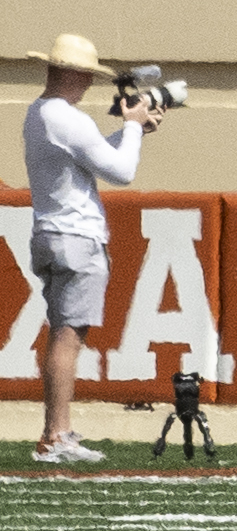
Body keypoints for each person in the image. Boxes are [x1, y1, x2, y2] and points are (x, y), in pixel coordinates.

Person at [22, 27, 156, 465]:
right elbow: (122, 173)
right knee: (68, 336)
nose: (90, 84)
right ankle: (56, 434)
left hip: (52, 231)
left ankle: (55, 432)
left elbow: (98, 158)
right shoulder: (66, 117)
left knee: (63, 331)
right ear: (75, 75)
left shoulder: (39, 113)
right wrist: (133, 127)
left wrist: (134, 132)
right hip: (75, 237)